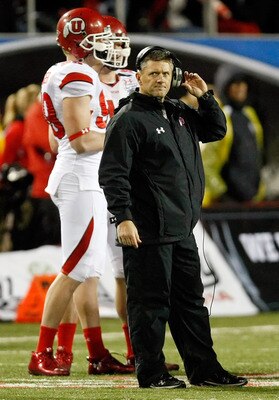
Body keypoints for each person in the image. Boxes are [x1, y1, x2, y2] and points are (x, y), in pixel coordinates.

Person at [99, 46, 248, 389]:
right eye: (153, 73)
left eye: (165, 74)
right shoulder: (128, 119)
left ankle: (205, 370)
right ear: (138, 77)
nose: (160, 80)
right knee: (150, 306)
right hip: (147, 229)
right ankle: (151, 374)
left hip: (182, 228)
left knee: (191, 304)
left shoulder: (179, 111)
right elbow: (112, 174)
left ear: (174, 77)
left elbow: (215, 131)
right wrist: (122, 217)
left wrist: (205, 97)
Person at [55, 15, 179, 374]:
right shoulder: (74, 79)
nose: (117, 45)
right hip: (89, 184)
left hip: (124, 185)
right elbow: (61, 138)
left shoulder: (131, 81)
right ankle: (89, 351)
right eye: (108, 38)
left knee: (129, 271)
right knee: (83, 270)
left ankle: (136, 350)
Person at [28, 7, 131, 377]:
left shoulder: (77, 73)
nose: (106, 46)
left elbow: (62, 140)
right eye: (99, 39)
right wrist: (126, 137)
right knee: (73, 270)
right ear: (80, 42)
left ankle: (72, 353)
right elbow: (81, 141)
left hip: (83, 178)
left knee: (84, 269)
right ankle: (42, 353)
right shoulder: (74, 73)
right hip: (81, 178)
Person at [202, 63, 265, 207]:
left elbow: (256, 155)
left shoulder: (250, 115)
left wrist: (259, 190)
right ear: (226, 87)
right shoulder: (219, 117)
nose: (241, 88)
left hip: (252, 200)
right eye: (235, 84)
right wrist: (222, 195)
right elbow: (206, 165)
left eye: (243, 83)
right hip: (225, 206)